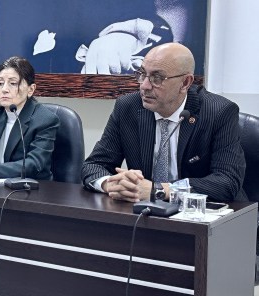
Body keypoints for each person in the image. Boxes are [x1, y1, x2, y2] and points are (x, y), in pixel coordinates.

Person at [82, 43, 246, 203]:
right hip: (146, 213)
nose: (144, 86)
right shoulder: (128, 107)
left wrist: (159, 190)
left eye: (157, 78)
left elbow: (227, 181)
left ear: (185, 83)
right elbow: (94, 164)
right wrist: (111, 184)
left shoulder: (219, 112)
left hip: (205, 214)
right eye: (142, 74)